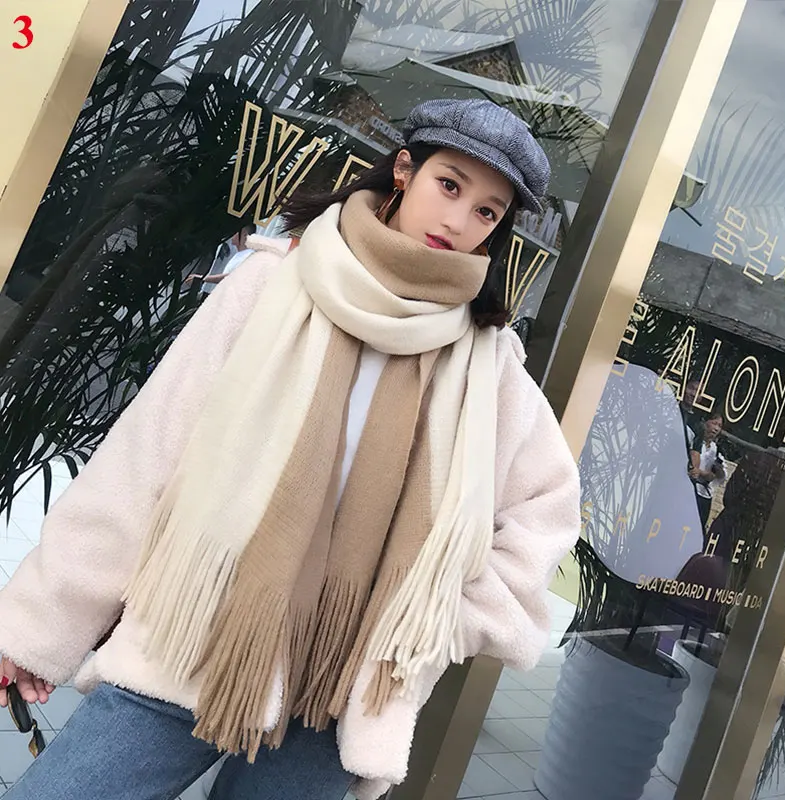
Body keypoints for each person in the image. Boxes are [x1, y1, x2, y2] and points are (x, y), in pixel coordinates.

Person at [0, 98, 580, 800]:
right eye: (449, 185)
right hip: (193, 638)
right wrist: (38, 629)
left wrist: (436, 621)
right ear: (404, 170)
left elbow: (546, 507)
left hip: (336, 692)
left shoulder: (487, 363)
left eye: (486, 211)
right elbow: (143, 460)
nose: (458, 221)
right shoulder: (274, 284)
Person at [184, 223, 258, 294]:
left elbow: (233, 276)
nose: (231, 234)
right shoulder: (240, 254)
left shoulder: (249, 255)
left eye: (235, 231)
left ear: (244, 235)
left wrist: (202, 278)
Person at [689, 409, 726, 530]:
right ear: (706, 422)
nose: (716, 428)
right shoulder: (693, 440)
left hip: (704, 495)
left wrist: (714, 470)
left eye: (719, 426)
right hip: (690, 489)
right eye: (714, 423)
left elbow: (717, 476)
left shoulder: (717, 450)